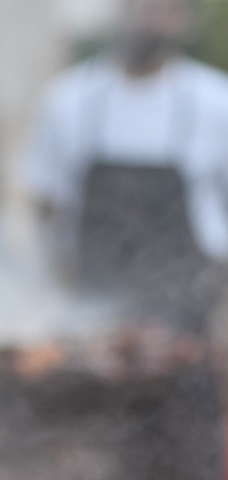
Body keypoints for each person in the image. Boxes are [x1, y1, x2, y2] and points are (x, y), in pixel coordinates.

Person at [22, 0, 228, 328]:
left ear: (186, 22)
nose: (153, 19)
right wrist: (49, 271)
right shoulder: (67, 98)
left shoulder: (217, 101)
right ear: (121, 12)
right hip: (92, 296)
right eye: (144, 7)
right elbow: (46, 200)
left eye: (168, 10)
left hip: (188, 301)